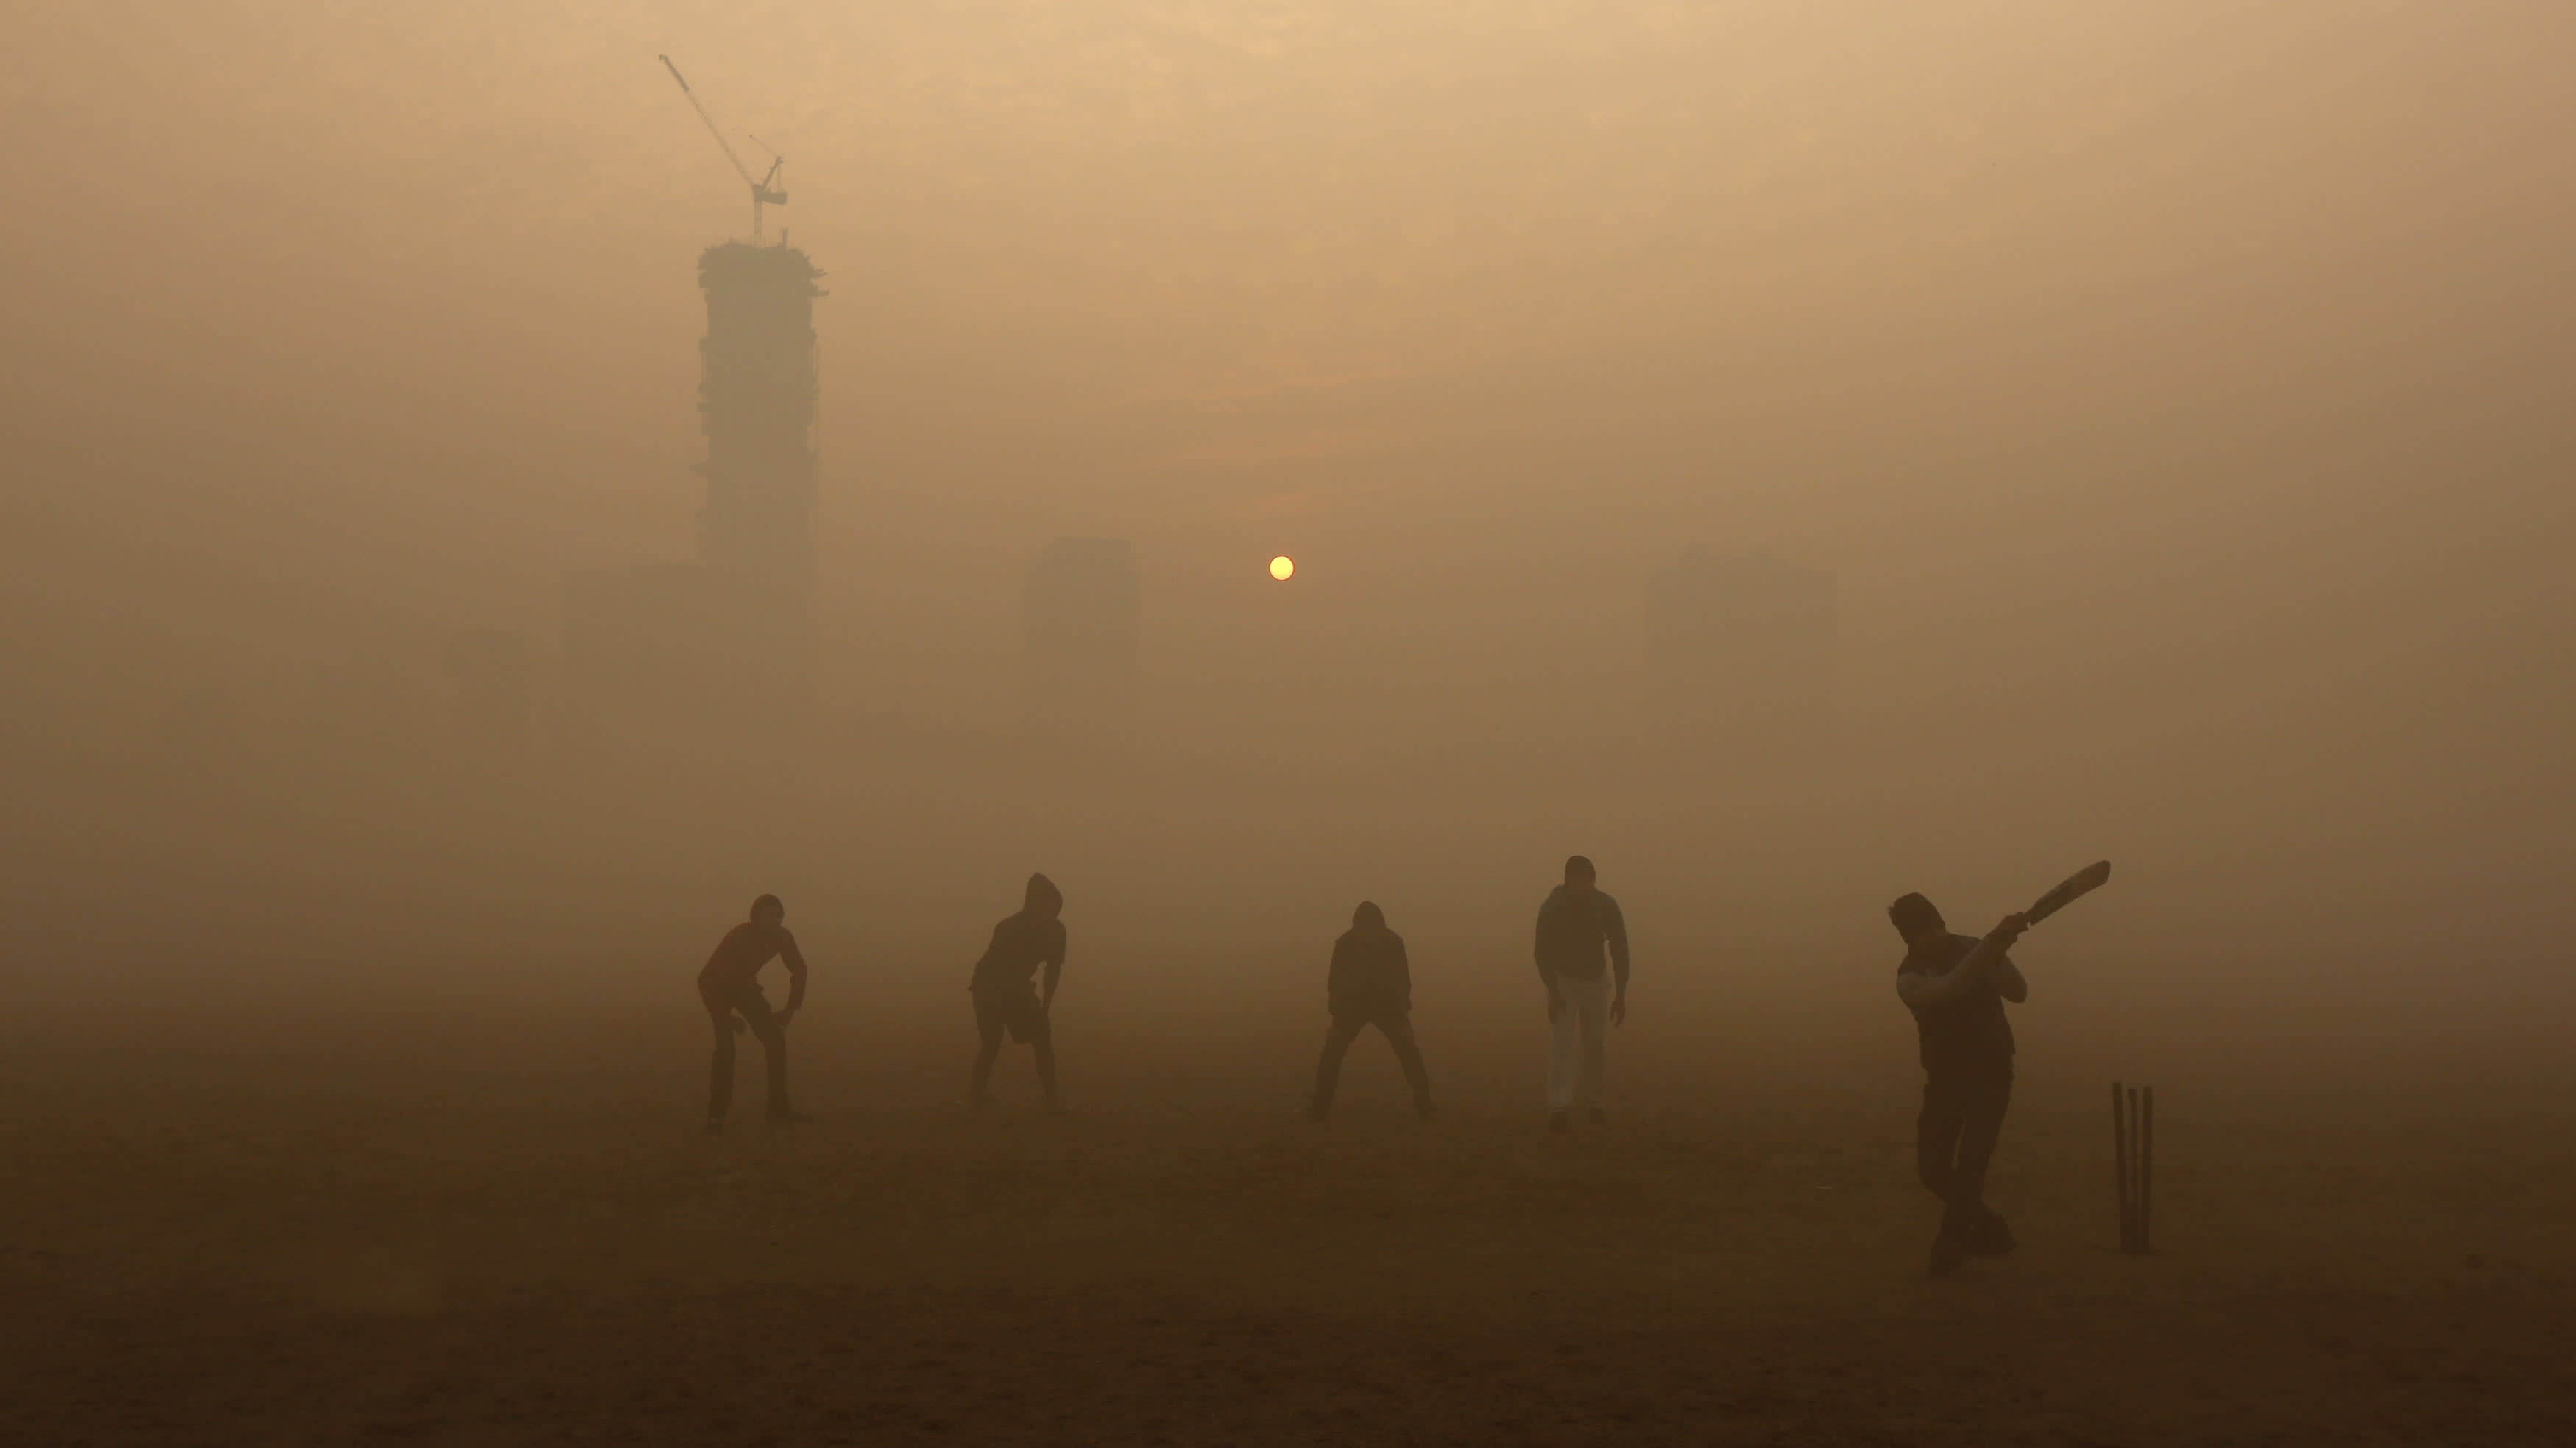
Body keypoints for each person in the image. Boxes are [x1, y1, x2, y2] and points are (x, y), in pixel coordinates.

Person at [1889, 892, 2029, 1277]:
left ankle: (1950, 1243)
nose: (1933, 936)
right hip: (1946, 1079)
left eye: (1935, 926)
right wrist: (1990, 948)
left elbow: (2018, 992)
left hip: (1992, 1070)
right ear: (1908, 939)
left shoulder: (1974, 947)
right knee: (1932, 1170)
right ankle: (1988, 1226)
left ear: (1942, 921)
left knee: (1972, 1163)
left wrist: (1996, 952)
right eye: (1921, 933)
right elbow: (1947, 991)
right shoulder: (1910, 977)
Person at [1308, 901, 1435, 1123]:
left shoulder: (1346, 943)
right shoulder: (1392, 942)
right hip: (1386, 1006)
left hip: (1353, 1007)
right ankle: (1424, 1103)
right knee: (1408, 1053)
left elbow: (1335, 978)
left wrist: (1335, 1004)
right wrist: (1403, 1003)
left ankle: (1321, 1105)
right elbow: (1403, 978)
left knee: (1332, 1055)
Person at [697, 893, 809, 1133]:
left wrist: (790, 1009)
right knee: (726, 1050)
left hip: (745, 988)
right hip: (717, 988)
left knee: (776, 1042)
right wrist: (725, 1018)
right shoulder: (739, 936)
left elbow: (800, 970)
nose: (775, 920)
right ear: (755, 917)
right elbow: (707, 979)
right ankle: (716, 1118)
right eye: (769, 915)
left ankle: (778, 1109)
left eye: (779, 915)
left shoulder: (783, 937)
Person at [1533, 855, 1629, 1132]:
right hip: (1563, 981)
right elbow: (1542, 952)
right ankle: (1559, 1105)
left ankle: (1596, 1102)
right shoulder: (1552, 907)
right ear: (1567, 880)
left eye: (1588, 880)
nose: (1584, 886)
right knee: (1562, 1043)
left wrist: (1621, 993)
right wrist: (1552, 990)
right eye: (1578, 880)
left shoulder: (1605, 905)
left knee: (1596, 1043)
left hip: (1596, 982)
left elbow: (1620, 947)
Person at [969, 873, 1066, 1112]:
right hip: (988, 986)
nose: (1050, 909)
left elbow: (1052, 972)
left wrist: (1045, 1007)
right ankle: (975, 1100)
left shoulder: (1056, 931)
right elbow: (993, 970)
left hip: (1017, 988)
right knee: (992, 1041)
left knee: (1042, 1036)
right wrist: (997, 1004)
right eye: (1044, 903)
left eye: (1054, 904)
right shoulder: (1008, 927)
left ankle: (1051, 1101)